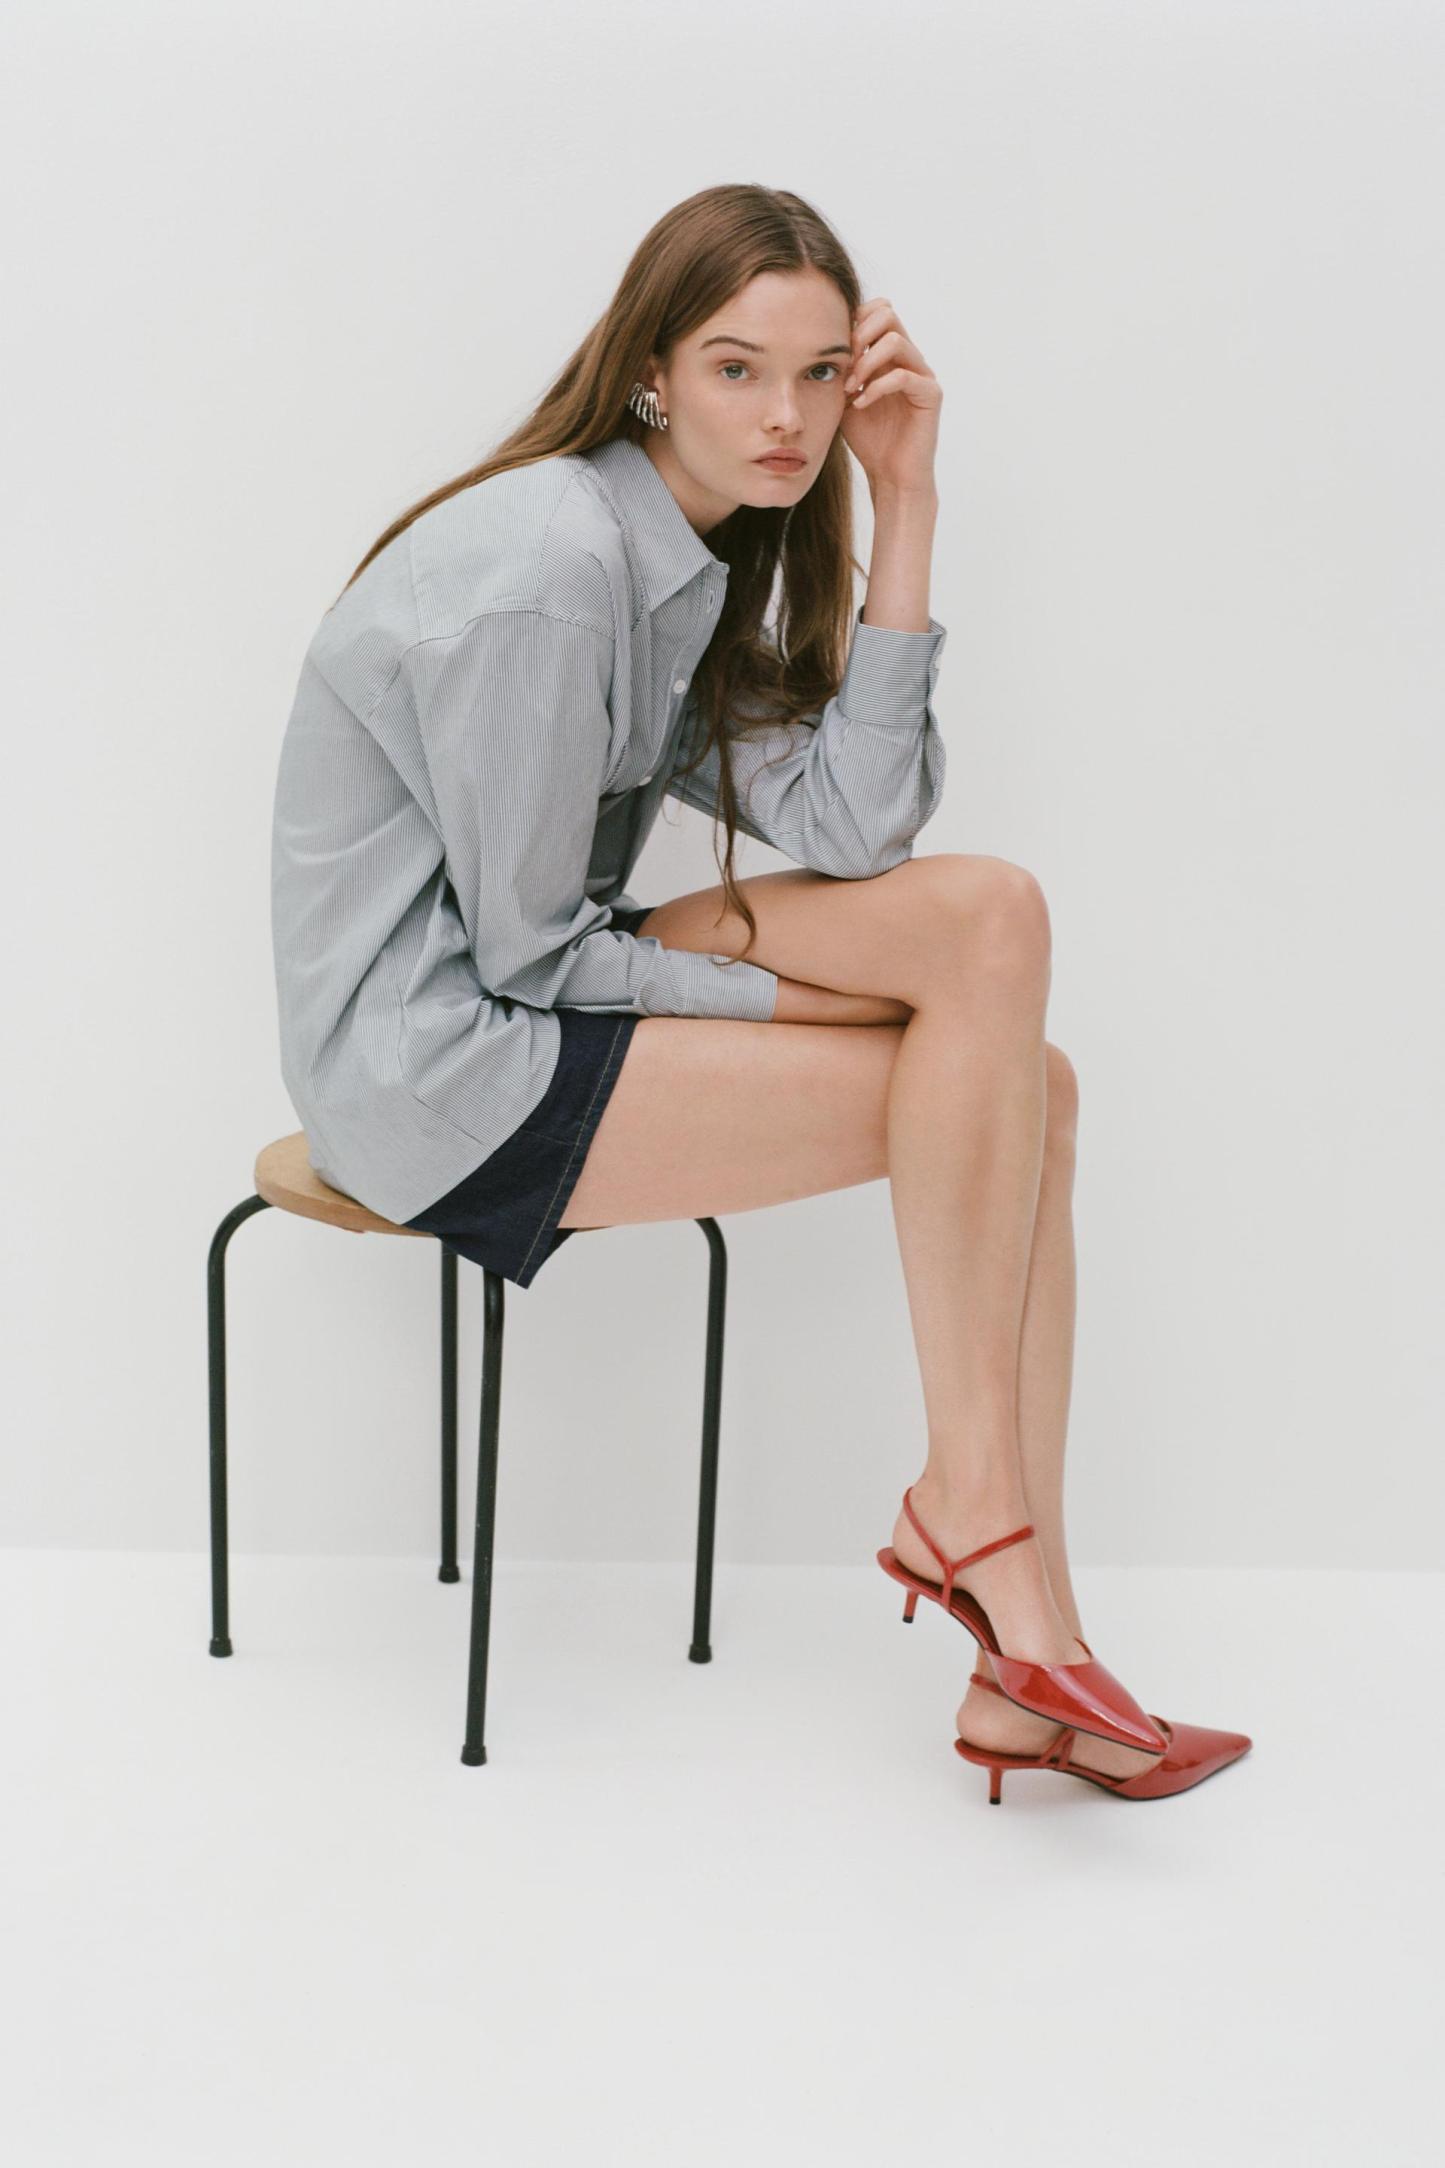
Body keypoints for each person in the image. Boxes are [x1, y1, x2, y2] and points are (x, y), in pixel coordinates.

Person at [271, 183, 1250, 1803]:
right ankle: (995, 1569)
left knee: (992, 930)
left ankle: (1011, 1605)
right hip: (436, 1075)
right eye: (738, 369)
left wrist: (905, 502)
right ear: (651, 373)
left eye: (818, 376)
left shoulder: (686, 557)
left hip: (536, 1008)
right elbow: (522, 957)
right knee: (1019, 1076)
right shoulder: (550, 564)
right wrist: (815, 1007)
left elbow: (859, 829)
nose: (786, 415)